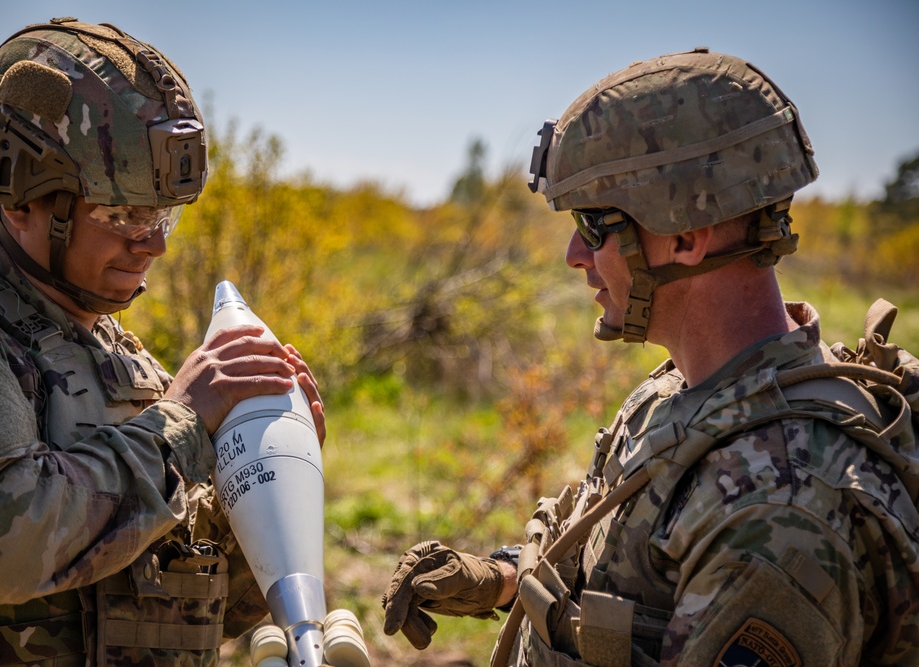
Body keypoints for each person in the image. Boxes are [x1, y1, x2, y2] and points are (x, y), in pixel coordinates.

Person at [382, 48, 919, 666]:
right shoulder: (691, 391)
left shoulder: (777, 508)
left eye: (593, 224)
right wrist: (500, 577)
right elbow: (631, 585)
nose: (573, 256)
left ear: (685, 238)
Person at [0, 17, 326, 666]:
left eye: (162, 214)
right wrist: (184, 422)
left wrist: (268, 482)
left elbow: (198, 611)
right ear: (21, 198)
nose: (155, 242)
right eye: (122, 213)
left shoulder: (129, 365)